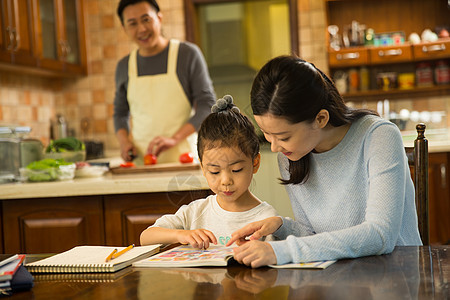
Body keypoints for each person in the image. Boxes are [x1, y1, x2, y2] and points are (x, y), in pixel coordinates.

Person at [226, 55, 422, 267]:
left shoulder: (379, 136)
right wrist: (281, 226)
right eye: (266, 134)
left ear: (321, 119)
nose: (275, 147)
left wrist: (283, 250)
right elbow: (314, 236)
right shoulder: (291, 156)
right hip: (335, 278)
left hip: (393, 277)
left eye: (283, 137)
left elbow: (380, 235)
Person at [140, 95, 278, 248]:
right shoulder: (195, 212)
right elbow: (146, 237)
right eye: (214, 171)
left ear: (255, 163)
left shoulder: (266, 218)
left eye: (236, 170)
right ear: (203, 168)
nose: (226, 180)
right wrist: (181, 234)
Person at [114, 0, 215, 164]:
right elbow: (119, 113)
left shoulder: (187, 54)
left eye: (146, 19)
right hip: (143, 163)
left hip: (185, 161)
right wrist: (125, 142)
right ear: (124, 28)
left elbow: (207, 105)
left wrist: (174, 139)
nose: (141, 29)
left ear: (159, 18)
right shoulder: (124, 66)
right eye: (132, 23)